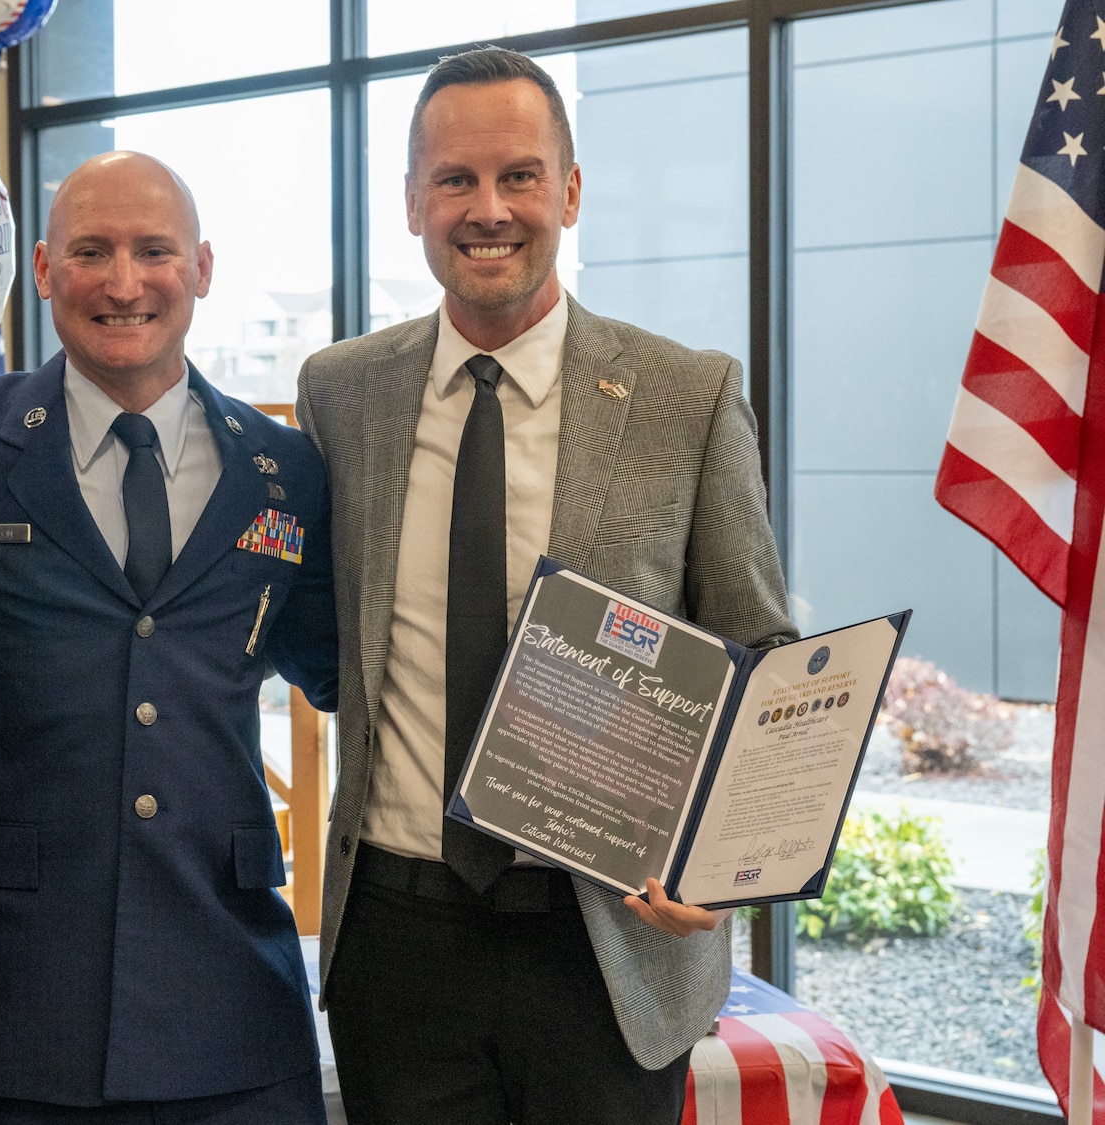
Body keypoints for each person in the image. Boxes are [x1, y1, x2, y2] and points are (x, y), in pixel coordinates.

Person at [296, 47, 796, 1124]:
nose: (487, 210)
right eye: (454, 180)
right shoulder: (341, 394)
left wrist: (721, 858)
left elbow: (755, 648)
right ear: (410, 203)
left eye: (519, 175)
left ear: (567, 192)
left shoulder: (683, 396)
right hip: (398, 936)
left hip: (606, 942)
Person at [0, 151, 338, 1124]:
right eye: (92, 252)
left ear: (203, 267)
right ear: (47, 268)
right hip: (18, 1011)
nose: (123, 281)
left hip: (234, 1002)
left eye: (154, 251)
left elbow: (348, 672)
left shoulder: (286, 469)